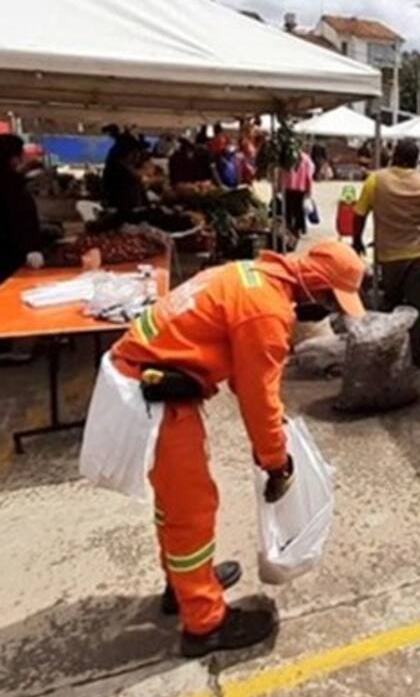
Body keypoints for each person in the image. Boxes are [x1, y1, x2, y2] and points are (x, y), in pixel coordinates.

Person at [96, 241, 366, 657]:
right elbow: (258, 398)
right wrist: (277, 462)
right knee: (191, 509)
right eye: (331, 300)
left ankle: (184, 586)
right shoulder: (265, 309)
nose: (329, 312)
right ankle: (205, 623)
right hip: (154, 394)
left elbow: (246, 379)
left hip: (150, 379)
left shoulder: (250, 275)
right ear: (314, 285)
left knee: (175, 501)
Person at [353, 140, 420, 368]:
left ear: (394, 156)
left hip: (389, 255)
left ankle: (388, 350)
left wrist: (356, 240)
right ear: (416, 160)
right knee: (417, 307)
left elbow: (359, 214)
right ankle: (416, 354)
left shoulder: (375, 180)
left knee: (390, 303)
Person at [0, 134, 44, 284]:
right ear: (14, 158)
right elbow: (20, 218)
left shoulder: (12, 180)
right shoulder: (11, 185)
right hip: (9, 255)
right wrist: (32, 248)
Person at [282, 150, 315, 239]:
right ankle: (299, 228)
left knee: (287, 209)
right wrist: (309, 188)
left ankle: (288, 228)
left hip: (287, 186)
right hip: (300, 187)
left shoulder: (287, 156)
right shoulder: (306, 159)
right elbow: (309, 175)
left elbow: (282, 172)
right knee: (299, 209)